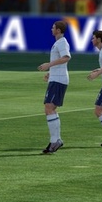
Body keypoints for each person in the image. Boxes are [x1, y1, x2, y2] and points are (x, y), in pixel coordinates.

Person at [38, 20, 72, 153]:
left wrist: (48, 65)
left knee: (49, 107)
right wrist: (50, 73)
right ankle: (56, 140)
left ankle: (55, 141)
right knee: (50, 108)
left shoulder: (62, 42)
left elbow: (66, 57)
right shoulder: (58, 43)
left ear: (58, 30)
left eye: (53, 28)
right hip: (56, 78)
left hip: (59, 79)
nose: (51, 29)